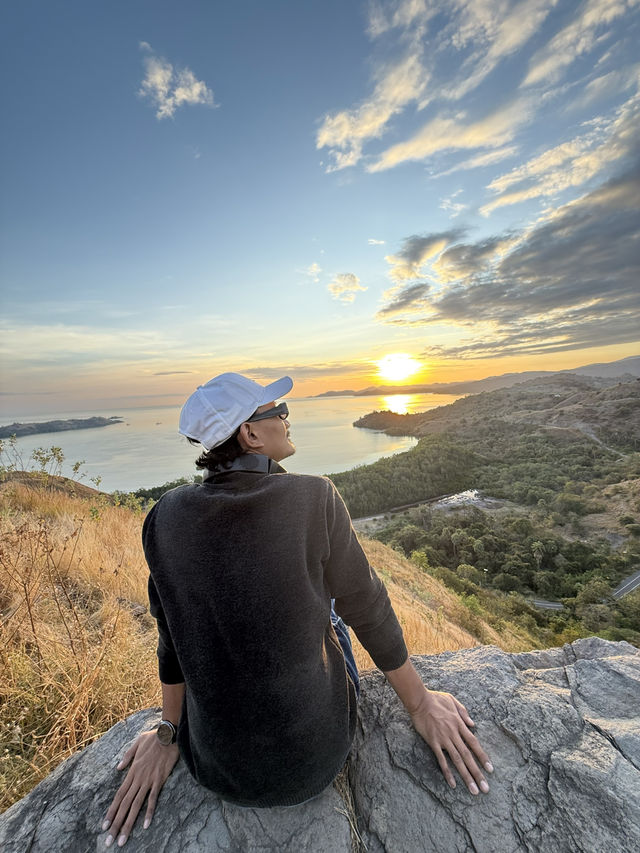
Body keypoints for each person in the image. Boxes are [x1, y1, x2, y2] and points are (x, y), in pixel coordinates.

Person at [101, 373, 493, 848]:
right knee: (333, 606)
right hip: (315, 760)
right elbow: (368, 607)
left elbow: (172, 636)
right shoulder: (314, 496)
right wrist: (421, 704)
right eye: (278, 411)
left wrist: (169, 731)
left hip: (218, 767)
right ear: (250, 434)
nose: (287, 418)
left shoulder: (164, 516)